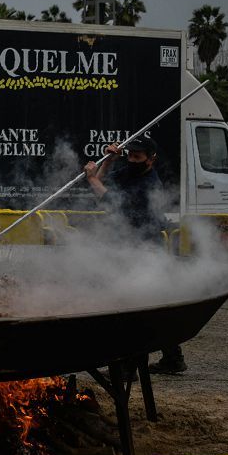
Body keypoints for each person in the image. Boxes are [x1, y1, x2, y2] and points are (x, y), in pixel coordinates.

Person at [84, 135, 186, 374]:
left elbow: (111, 201)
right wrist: (108, 161)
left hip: (146, 249)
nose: (131, 160)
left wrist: (91, 176)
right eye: (129, 155)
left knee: (136, 305)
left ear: (151, 160)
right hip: (127, 246)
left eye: (137, 157)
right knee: (151, 306)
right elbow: (100, 185)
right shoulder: (129, 173)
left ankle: (129, 366)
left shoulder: (150, 184)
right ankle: (173, 358)